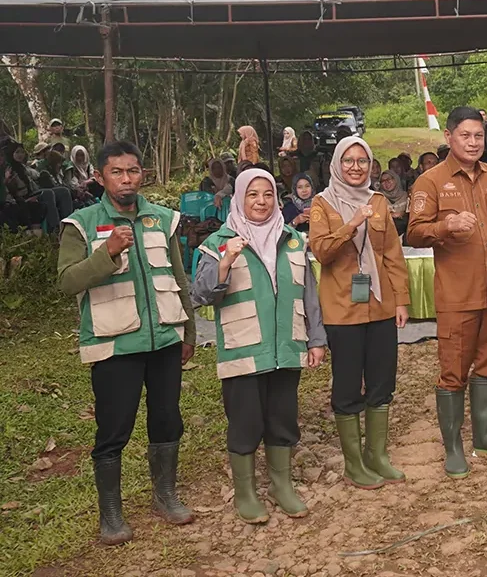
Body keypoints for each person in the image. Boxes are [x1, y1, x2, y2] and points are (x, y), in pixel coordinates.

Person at [56, 141, 196, 545]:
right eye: (116, 172)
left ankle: (165, 496)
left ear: (143, 175)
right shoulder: (81, 224)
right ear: (99, 177)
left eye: (132, 171)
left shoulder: (162, 219)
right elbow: (66, 281)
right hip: (115, 344)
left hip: (164, 339)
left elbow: (178, 277)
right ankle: (111, 515)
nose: (126, 179)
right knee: (114, 429)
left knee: (167, 419)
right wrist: (108, 253)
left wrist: (188, 331)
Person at [191, 168, 325, 524]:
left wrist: (316, 339)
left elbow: (309, 294)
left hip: (286, 346)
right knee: (245, 421)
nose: (261, 201)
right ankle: (246, 493)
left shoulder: (292, 238)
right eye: (253, 194)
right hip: (243, 349)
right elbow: (200, 294)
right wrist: (225, 262)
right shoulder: (220, 241)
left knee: (283, 418)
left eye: (268, 194)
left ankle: (281, 485)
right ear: (239, 199)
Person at [407, 106, 487, 479]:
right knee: (454, 372)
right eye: (465, 135)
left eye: (478, 136)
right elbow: (413, 232)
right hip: (457, 296)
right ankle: (453, 447)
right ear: (449, 137)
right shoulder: (430, 182)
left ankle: (486, 436)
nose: (473, 142)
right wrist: (445, 225)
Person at [310, 136, 411, 490]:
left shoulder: (378, 201)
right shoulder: (322, 204)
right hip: (342, 309)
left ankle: (376, 455)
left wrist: (401, 300)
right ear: (337, 164)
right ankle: (354, 464)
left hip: (380, 305)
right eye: (349, 160)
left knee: (382, 382)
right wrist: (351, 224)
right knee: (348, 386)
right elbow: (322, 251)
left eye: (362, 161)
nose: (356, 167)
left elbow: (392, 255)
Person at [6, 143, 74, 234]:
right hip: (23, 197)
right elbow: (12, 191)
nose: (20, 155)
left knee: (63, 191)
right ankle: (54, 228)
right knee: (47, 193)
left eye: (22, 152)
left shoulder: (23, 167)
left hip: (33, 191)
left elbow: (36, 175)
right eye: (17, 152)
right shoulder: (9, 168)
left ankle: (68, 224)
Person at [378, 170, 409, 235]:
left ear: (396, 179)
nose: (386, 182)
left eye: (389, 179)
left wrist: (403, 214)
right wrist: (390, 215)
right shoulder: (378, 198)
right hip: (385, 234)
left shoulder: (406, 196)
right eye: (383, 181)